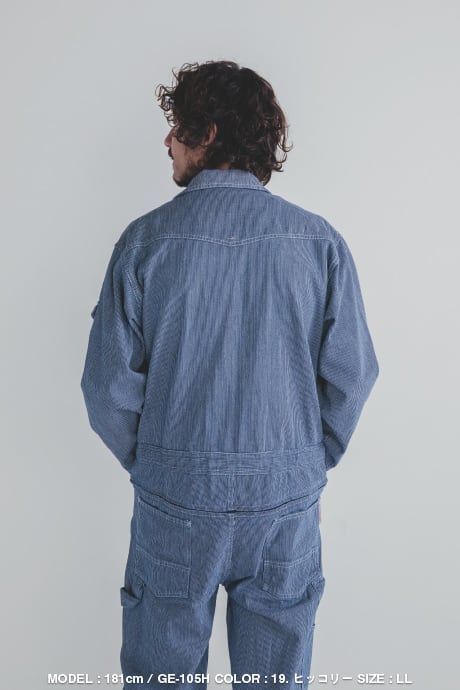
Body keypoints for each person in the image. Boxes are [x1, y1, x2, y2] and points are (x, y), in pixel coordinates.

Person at [81, 60, 379, 690]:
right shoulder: (318, 243)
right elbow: (352, 376)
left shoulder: (144, 243)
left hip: (175, 501)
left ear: (208, 133)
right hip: (285, 504)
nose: (167, 141)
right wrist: (302, 462)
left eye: (177, 128)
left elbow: (106, 388)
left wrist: (160, 463)